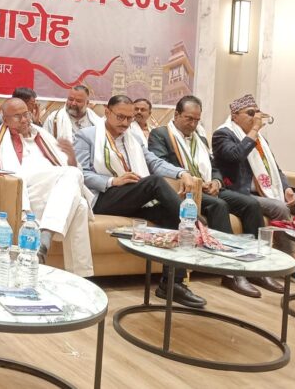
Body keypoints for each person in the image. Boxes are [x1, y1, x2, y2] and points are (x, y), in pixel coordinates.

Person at [74, 95, 207, 308]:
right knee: (154, 183)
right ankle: (200, 224)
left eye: (129, 119)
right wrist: (113, 181)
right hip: (103, 198)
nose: (125, 123)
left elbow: (154, 162)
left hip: (132, 197)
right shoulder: (86, 136)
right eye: (120, 117)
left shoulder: (133, 137)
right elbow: (81, 172)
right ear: (107, 112)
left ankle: (172, 284)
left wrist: (181, 173)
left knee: (172, 216)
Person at [148, 95, 272, 297]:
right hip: (183, 189)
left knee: (250, 204)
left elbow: (213, 165)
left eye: (197, 120)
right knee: (218, 205)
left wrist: (216, 181)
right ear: (176, 115)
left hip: (208, 187)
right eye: (189, 119)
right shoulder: (160, 134)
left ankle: (255, 268)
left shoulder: (200, 136)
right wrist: (190, 179)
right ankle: (230, 271)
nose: (193, 124)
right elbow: (160, 165)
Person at [212, 94, 295, 287]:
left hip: (270, 190)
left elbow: (275, 168)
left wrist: (286, 187)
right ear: (235, 115)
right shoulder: (223, 135)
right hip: (244, 193)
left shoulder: (260, 140)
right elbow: (236, 155)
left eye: (257, 113)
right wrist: (254, 130)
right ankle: (290, 263)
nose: (255, 118)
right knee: (279, 208)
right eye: (250, 113)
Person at [0, 98, 94, 277]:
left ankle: (79, 275)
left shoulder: (42, 134)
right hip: (26, 192)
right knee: (73, 175)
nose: (25, 119)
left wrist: (71, 158)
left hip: (54, 196)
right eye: (17, 117)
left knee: (80, 204)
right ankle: (47, 238)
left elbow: (67, 165)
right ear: (5, 120)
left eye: (26, 114)